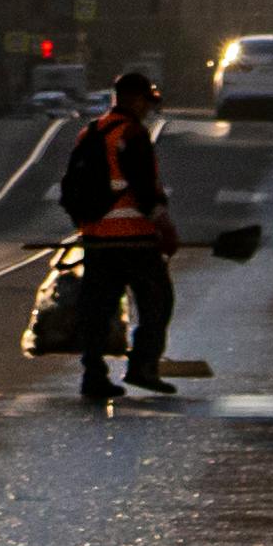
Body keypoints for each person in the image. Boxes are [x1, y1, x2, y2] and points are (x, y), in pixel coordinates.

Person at [61, 68, 182, 403]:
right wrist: (164, 225)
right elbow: (144, 186)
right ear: (136, 99)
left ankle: (93, 375)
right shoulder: (132, 134)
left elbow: (69, 187)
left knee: (97, 309)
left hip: (98, 239)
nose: (148, 109)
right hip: (135, 239)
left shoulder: (91, 133)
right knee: (157, 301)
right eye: (147, 101)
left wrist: (86, 224)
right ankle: (143, 366)